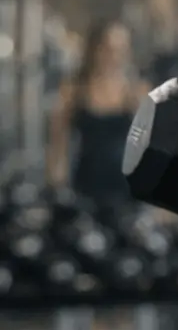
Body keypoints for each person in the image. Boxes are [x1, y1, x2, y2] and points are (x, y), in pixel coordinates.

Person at [47, 19, 145, 204]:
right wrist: (55, 186)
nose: (114, 57)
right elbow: (58, 143)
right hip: (86, 187)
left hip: (125, 190)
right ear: (94, 50)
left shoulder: (135, 92)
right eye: (108, 49)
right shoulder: (74, 90)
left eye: (120, 50)